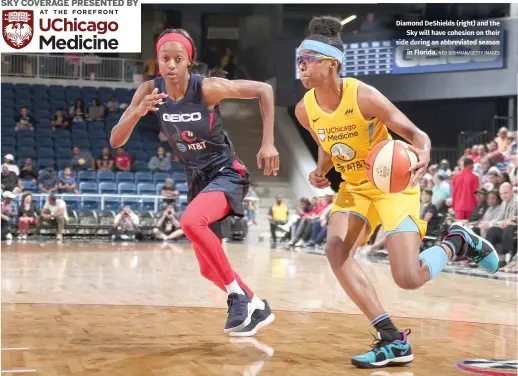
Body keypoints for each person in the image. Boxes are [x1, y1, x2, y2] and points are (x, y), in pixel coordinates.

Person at [294, 15, 499, 369]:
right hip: (354, 189)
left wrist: (423, 152)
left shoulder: (364, 96)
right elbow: (327, 143)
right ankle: (392, 339)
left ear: (332, 64)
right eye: (299, 60)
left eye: (308, 60)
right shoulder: (304, 110)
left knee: (408, 278)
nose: (301, 67)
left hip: (391, 185)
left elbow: (417, 135)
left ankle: (456, 242)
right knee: (335, 250)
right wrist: (320, 170)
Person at [110, 28, 279, 336]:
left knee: (190, 222)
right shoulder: (149, 89)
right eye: (165, 59)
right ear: (157, 61)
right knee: (205, 268)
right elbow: (116, 140)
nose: (171, 65)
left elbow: (264, 91)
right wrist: (137, 112)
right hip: (197, 179)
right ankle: (257, 306)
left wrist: (268, 143)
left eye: (178, 59)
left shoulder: (207, 89)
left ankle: (235, 294)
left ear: (189, 61)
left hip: (226, 173)